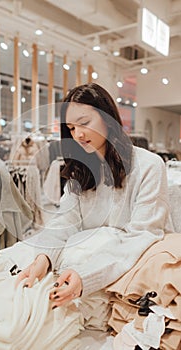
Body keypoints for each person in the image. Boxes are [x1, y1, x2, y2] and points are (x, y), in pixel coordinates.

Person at [16, 82, 174, 312]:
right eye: (70, 128)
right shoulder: (78, 171)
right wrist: (43, 259)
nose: (78, 134)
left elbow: (142, 235)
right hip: (86, 274)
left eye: (84, 123)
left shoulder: (149, 166)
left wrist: (86, 275)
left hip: (134, 279)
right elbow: (64, 222)